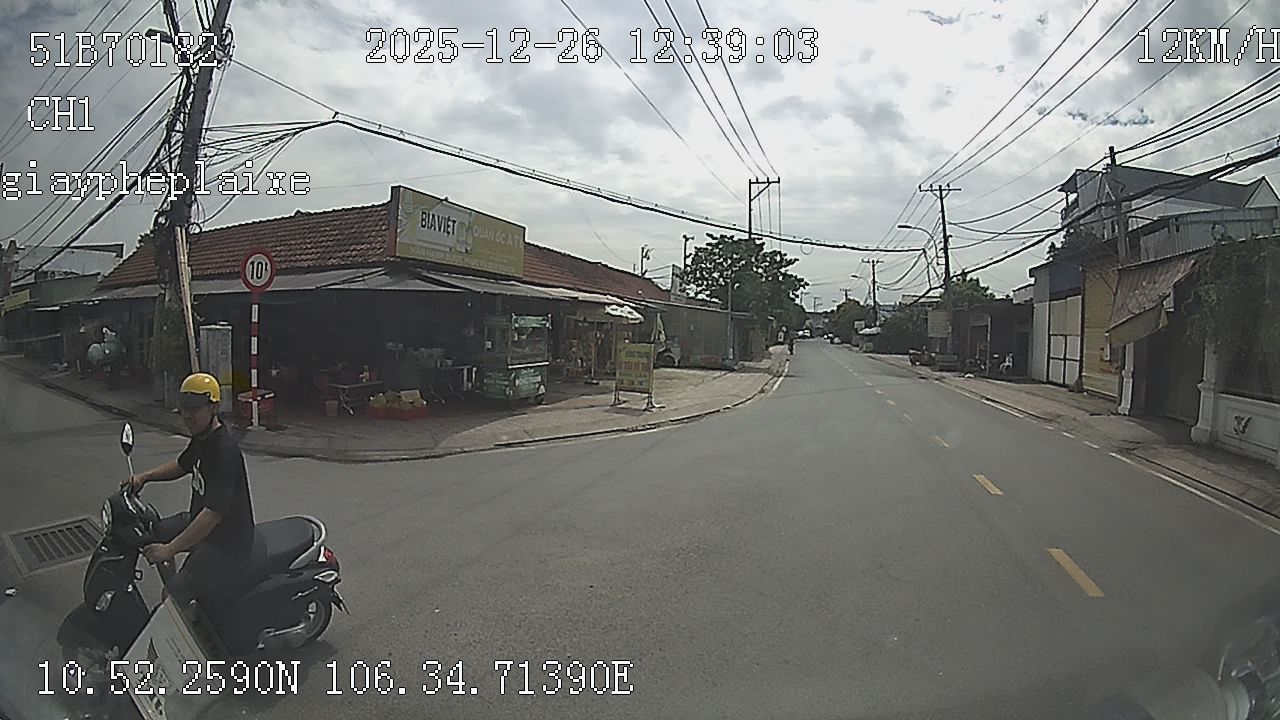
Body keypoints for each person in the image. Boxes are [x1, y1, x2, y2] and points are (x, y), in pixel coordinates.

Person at [123, 372, 256, 618]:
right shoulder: (202, 438)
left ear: (213, 407)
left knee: (171, 595)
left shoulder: (224, 451)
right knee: (152, 532)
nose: (187, 415)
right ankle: (185, 595)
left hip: (226, 543)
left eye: (194, 409)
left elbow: (213, 514)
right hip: (201, 524)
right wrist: (144, 477)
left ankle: (183, 617)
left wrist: (170, 549)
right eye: (184, 409)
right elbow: (182, 465)